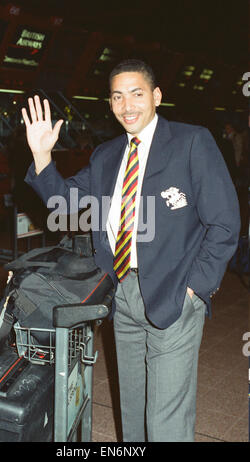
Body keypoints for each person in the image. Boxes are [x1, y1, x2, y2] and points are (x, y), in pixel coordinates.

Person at [22, 59, 240, 442]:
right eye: (118, 96)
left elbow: (225, 222)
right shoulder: (107, 156)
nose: (128, 105)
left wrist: (195, 288)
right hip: (121, 293)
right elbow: (64, 203)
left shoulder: (191, 142)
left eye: (137, 94)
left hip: (175, 294)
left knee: (165, 419)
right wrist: (42, 155)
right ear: (110, 104)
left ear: (156, 96)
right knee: (132, 408)